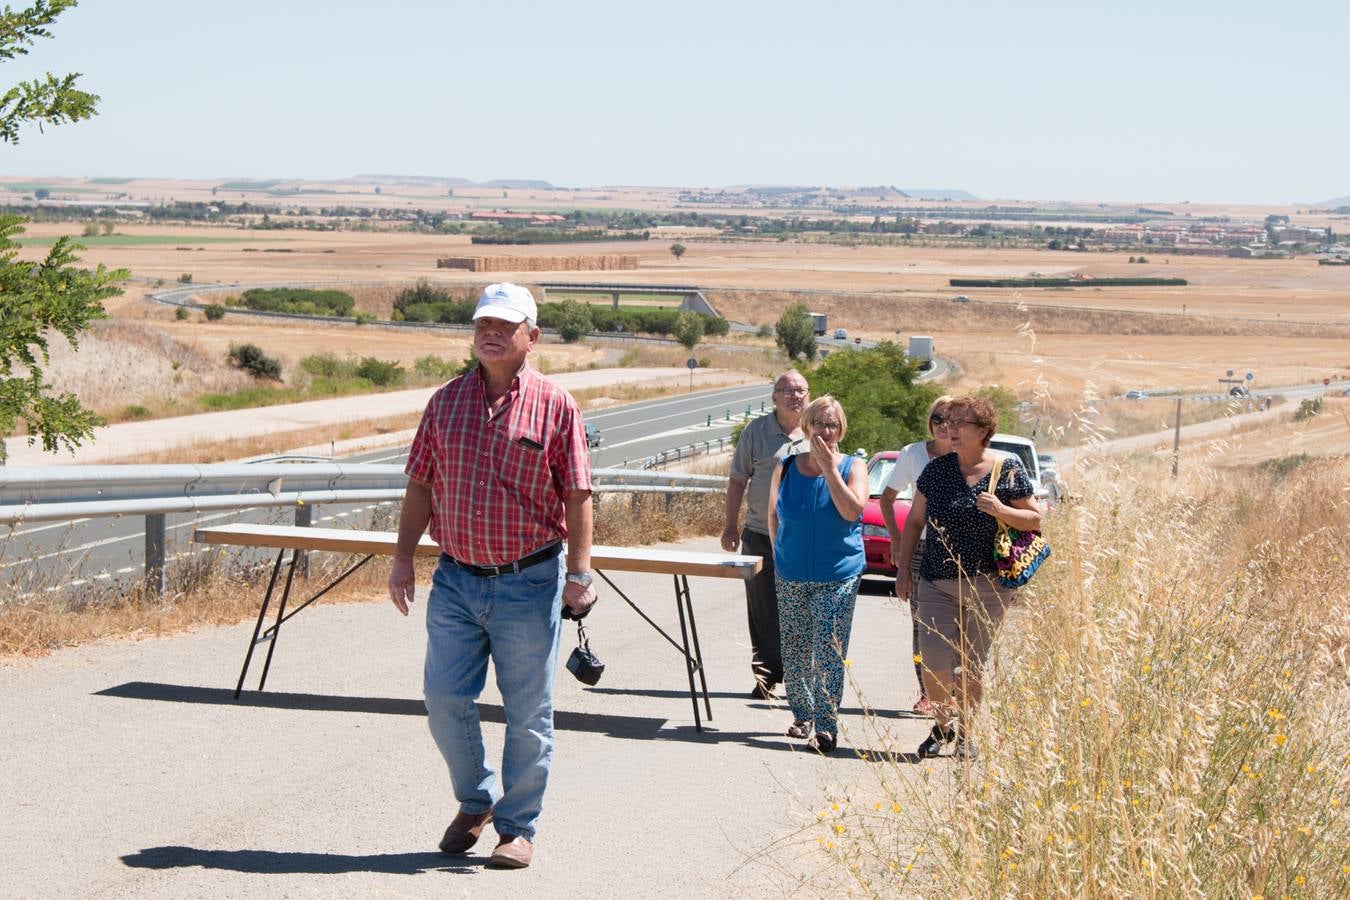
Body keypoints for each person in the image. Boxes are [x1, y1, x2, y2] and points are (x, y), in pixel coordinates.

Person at [388, 282, 597, 870]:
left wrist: (580, 575)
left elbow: (579, 496)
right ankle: (477, 798)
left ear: (532, 336)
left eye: (506, 324)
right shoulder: (445, 402)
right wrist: (403, 558)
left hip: (529, 580)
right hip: (455, 578)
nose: (491, 332)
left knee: (528, 711)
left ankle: (517, 827)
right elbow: (421, 485)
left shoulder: (557, 405)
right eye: (484, 322)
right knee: (443, 697)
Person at [895, 396, 1041, 759]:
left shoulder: (1008, 469)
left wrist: (1001, 509)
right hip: (935, 582)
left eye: (961, 422)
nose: (951, 428)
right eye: (947, 421)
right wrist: (902, 570)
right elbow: (915, 521)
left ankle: (967, 735)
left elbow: (1035, 520)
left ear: (983, 431)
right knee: (932, 660)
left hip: (989, 585)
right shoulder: (936, 470)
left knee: (971, 665)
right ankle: (944, 725)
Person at [767, 395, 868, 753]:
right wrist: (780, 556)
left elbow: (852, 511)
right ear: (807, 427)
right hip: (791, 571)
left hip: (837, 572)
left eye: (833, 424)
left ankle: (826, 726)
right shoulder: (787, 466)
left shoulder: (853, 467)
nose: (826, 430)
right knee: (794, 647)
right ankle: (802, 714)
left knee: (827, 647)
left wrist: (828, 469)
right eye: (820, 424)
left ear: (841, 430)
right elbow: (774, 514)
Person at [721, 370, 809, 699]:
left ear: (809, 396)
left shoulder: (818, 432)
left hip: (802, 538)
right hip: (758, 533)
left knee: (799, 607)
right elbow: (737, 481)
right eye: (786, 390)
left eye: (800, 390)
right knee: (761, 609)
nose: (793, 396)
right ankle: (766, 677)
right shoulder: (756, 432)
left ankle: (799, 677)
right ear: (774, 397)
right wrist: (731, 526)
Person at [878, 395, 953, 715]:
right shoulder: (913, 454)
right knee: (922, 625)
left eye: (951, 419)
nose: (944, 426)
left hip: (961, 550)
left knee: (959, 627)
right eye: (938, 418)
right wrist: (897, 543)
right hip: (922, 546)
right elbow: (887, 498)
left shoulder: (969, 456)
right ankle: (928, 693)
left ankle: (953, 693)